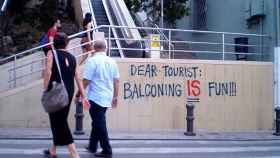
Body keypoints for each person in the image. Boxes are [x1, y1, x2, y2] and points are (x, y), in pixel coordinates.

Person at [43, 32, 90, 158]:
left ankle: (74, 153)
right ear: (67, 43)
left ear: (54, 43)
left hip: (55, 92)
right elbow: (78, 78)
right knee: (59, 120)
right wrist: (84, 96)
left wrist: (45, 89)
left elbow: (47, 72)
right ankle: (53, 150)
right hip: (67, 93)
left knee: (60, 122)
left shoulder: (51, 54)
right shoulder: (72, 58)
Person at [80, 39, 119, 157]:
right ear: (105, 48)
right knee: (97, 122)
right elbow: (116, 80)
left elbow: (86, 80)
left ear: (94, 48)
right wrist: (115, 97)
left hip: (95, 97)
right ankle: (92, 146)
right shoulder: (112, 61)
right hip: (107, 96)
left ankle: (107, 150)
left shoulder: (92, 61)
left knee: (99, 123)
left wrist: (79, 93)